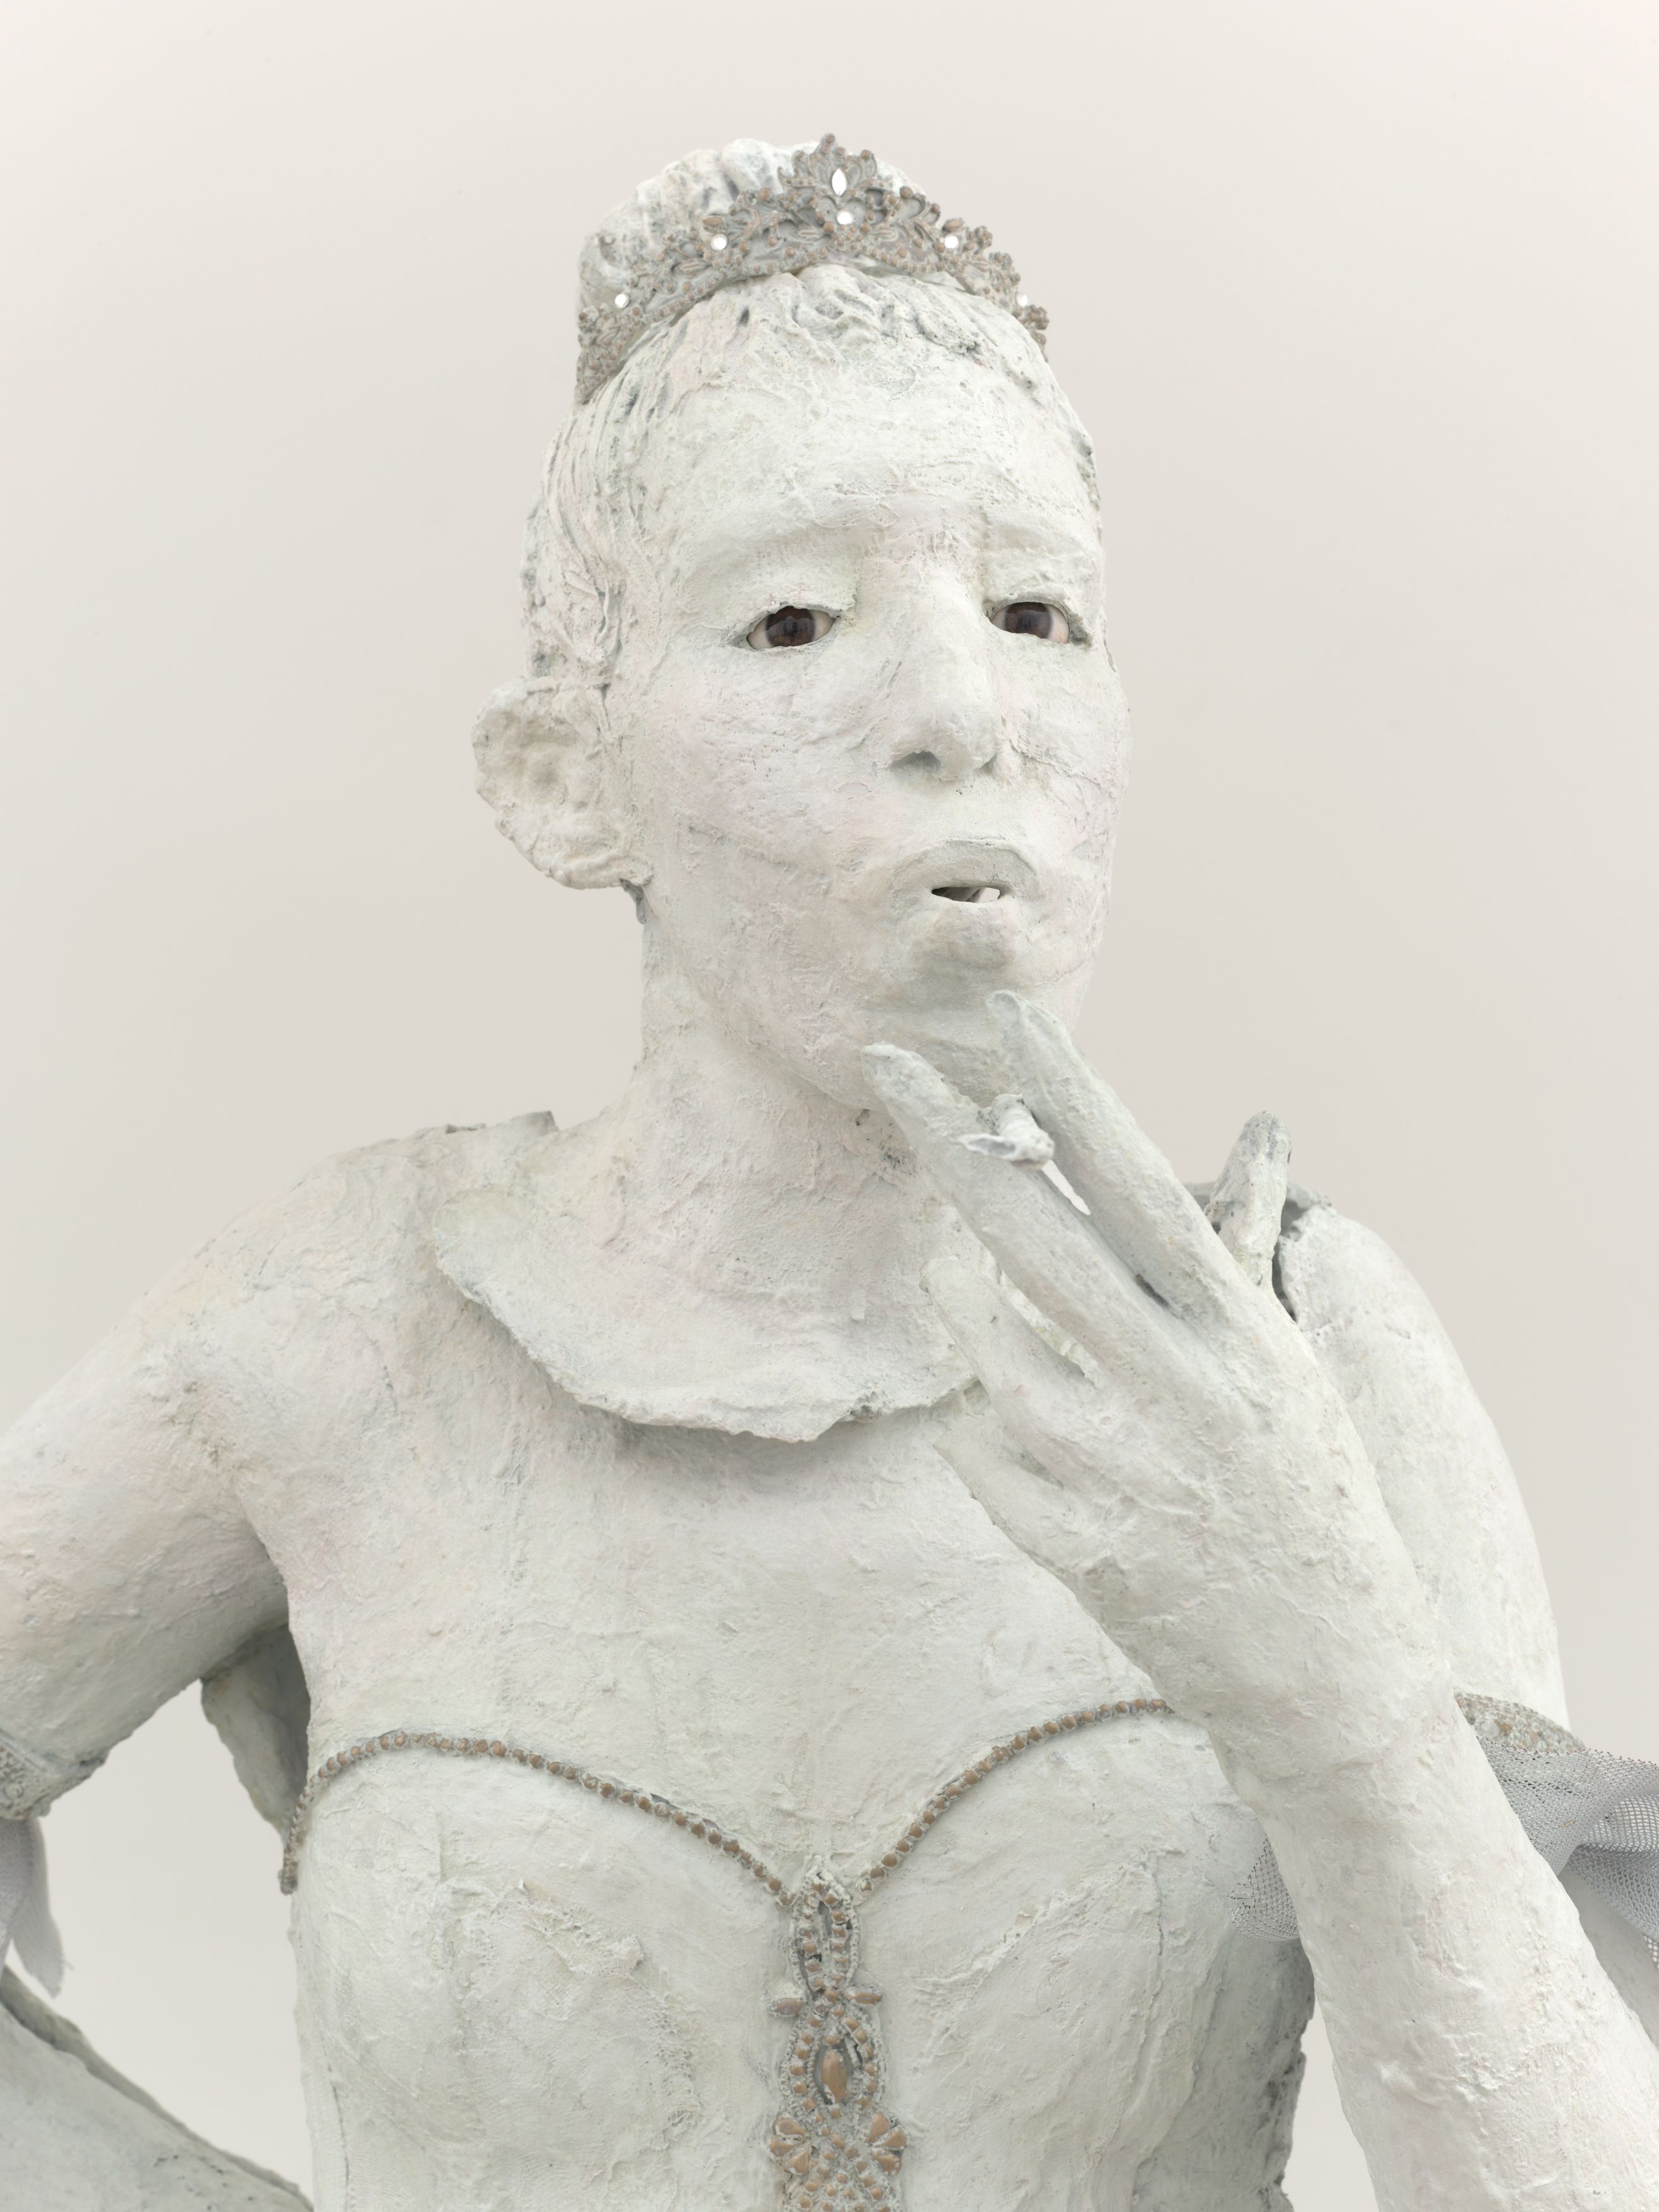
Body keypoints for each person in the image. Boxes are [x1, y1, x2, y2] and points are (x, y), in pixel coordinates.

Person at [4, 135, 1658, 2212]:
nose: (963, 707)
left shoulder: (1297, 1346)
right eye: (790, 620)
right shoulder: (338, 1331)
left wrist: (1341, 1694)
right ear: (564, 777)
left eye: (1039, 611)